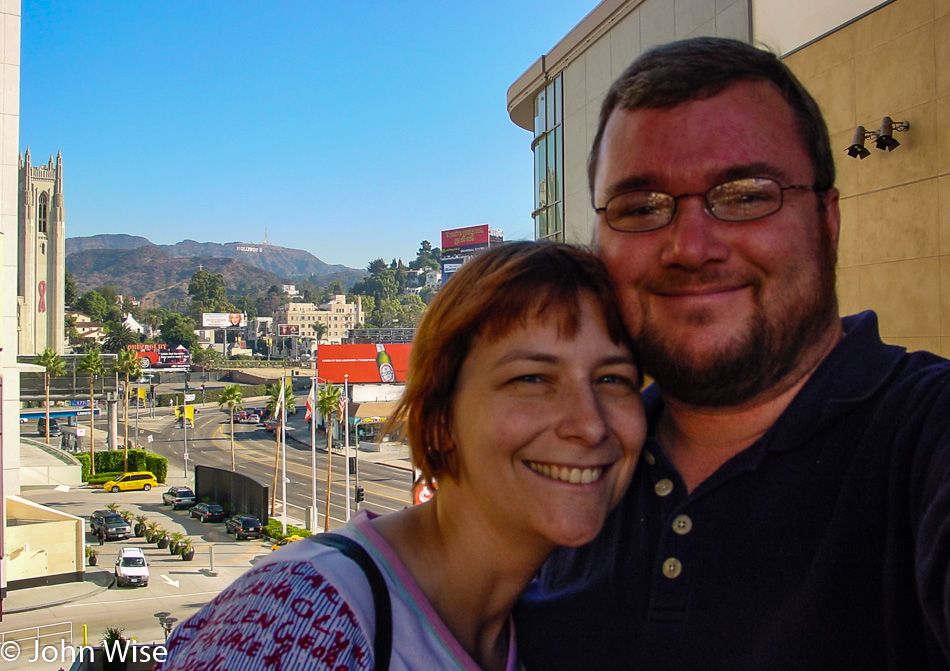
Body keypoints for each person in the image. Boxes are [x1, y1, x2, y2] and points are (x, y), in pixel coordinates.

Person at [515, 37, 950, 670]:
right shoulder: (572, 467)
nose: (691, 247)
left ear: (827, 222)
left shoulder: (926, 438)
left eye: (746, 193)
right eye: (641, 207)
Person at [156, 241, 647, 670]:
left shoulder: (545, 632)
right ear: (438, 419)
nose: (589, 423)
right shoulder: (299, 622)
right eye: (531, 379)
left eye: (613, 379)